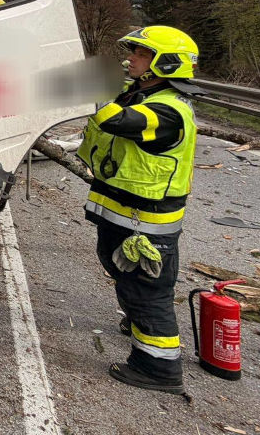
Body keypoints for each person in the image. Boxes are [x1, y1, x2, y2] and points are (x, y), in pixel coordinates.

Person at [77, 25, 200, 394]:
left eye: (141, 53)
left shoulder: (169, 109)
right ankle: (138, 322)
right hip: (125, 214)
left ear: (166, 62)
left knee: (147, 290)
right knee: (123, 272)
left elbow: (117, 121)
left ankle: (157, 368)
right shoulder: (141, 94)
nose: (131, 59)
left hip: (146, 224)